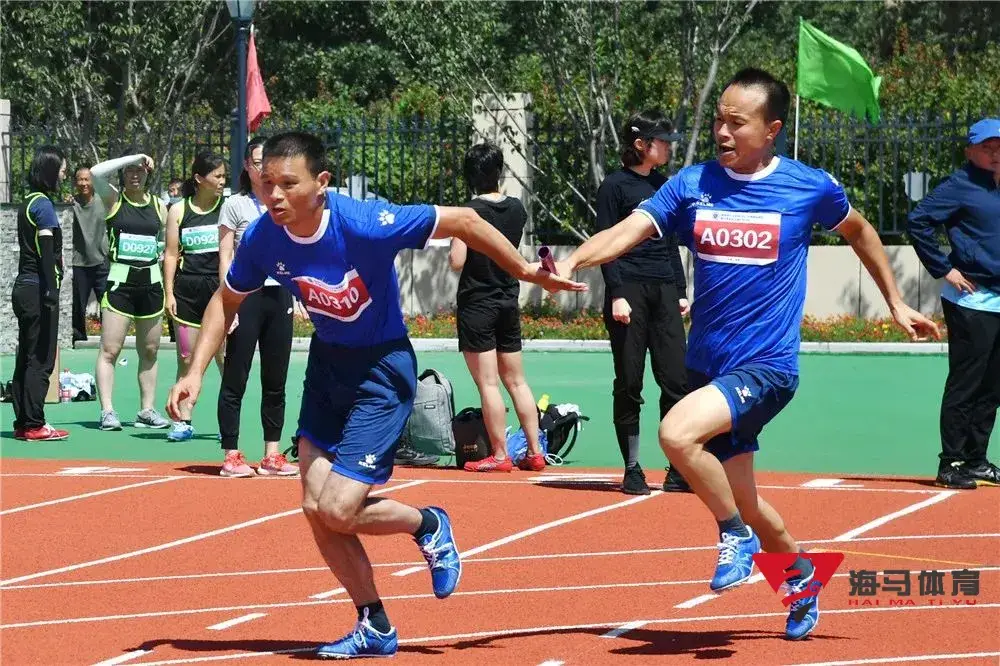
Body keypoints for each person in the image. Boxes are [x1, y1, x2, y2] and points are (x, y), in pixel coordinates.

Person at [551, 69, 939, 641]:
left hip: (767, 367)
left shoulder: (807, 187)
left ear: (772, 129)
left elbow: (860, 231)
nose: (722, 132)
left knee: (676, 434)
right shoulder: (693, 183)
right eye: (718, 120)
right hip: (708, 365)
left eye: (737, 122)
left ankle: (732, 533)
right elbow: (628, 230)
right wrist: (571, 261)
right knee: (749, 501)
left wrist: (896, 301)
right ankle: (800, 579)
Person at [166, 131, 584, 658]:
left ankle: (429, 523)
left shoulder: (365, 223)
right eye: (266, 182)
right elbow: (226, 299)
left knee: (338, 508)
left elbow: (464, 220)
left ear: (321, 183)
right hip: (328, 368)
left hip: (382, 370)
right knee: (315, 507)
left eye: (288, 184)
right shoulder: (262, 239)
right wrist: (194, 373)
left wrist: (525, 272)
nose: (274, 195)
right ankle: (375, 624)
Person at [597, 111, 691, 495]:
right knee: (630, 382)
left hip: (664, 289)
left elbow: (670, 242)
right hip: (629, 291)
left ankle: (678, 468)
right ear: (640, 144)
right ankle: (632, 467)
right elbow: (605, 244)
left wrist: (680, 290)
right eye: (662, 141)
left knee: (677, 380)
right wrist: (617, 293)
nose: (668, 147)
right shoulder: (613, 187)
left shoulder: (664, 186)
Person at [908, 117, 1000, 490]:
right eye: (987, 147)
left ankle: (976, 460)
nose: (995, 154)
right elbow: (918, 221)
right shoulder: (960, 185)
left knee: (993, 385)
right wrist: (944, 268)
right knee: (967, 382)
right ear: (969, 152)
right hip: (971, 300)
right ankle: (951, 463)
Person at [448, 142, 546, 473]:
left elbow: (456, 261)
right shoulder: (517, 209)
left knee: (488, 384)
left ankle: (501, 455)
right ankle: (535, 451)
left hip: (477, 302)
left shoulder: (468, 212)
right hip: (507, 298)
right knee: (517, 381)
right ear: (499, 172)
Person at [216, 136, 298, 477]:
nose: (265, 168)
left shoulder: (284, 203)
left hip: (279, 297)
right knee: (236, 376)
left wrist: (299, 295)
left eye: (270, 161)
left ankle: (272, 455)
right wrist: (228, 305)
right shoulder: (235, 205)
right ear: (248, 167)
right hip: (245, 296)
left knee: (276, 379)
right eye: (259, 162)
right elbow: (225, 256)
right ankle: (231, 454)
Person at [91, 152, 171, 431]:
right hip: (120, 286)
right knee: (110, 350)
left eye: (140, 170)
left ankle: (146, 410)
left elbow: (166, 242)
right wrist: (132, 157)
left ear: (148, 174)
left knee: (150, 350)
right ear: (123, 174)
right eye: (129, 170)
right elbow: (95, 172)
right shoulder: (114, 200)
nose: (135, 175)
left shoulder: (159, 206)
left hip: (151, 286)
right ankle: (107, 411)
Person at [164, 151, 227, 442]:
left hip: (220, 292)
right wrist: (169, 293)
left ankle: (229, 424)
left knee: (225, 359)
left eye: (224, 176)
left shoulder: (227, 209)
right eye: (218, 176)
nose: (222, 181)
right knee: (186, 359)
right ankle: (183, 420)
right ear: (200, 179)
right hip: (187, 293)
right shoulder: (178, 210)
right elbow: (171, 254)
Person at [11, 146, 70, 441]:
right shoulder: (43, 205)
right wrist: (51, 289)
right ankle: (35, 424)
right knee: (42, 357)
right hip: (38, 288)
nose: (64, 176)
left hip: (24, 286)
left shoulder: (28, 202)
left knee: (26, 355)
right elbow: (47, 254)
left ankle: (23, 422)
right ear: (50, 171)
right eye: (62, 170)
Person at [70, 167, 108, 344]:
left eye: (87, 179)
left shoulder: (104, 201)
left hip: (102, 261)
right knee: (78, 306)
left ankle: (109, 338)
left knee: (107, 304)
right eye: (80, 179)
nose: (84, 183)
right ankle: (78, 339)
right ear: (75, 182)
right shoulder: (71, 204)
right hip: (80, 263)